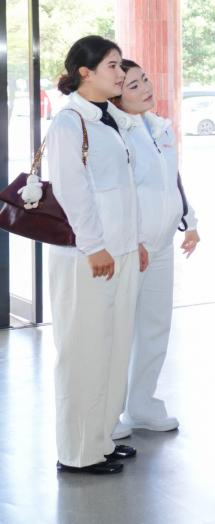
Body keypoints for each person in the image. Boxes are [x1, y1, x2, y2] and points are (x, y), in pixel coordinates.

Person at [46, 36, 144, 474]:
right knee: (84, 351)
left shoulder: (110, 119)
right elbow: (73, 191)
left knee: (114, 347)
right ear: (85, 73)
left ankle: (102, 438)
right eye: (113, 66)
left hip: (120, 250)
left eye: (121, 65)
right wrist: (95, 245)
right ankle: (78, 452)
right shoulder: (69, 123)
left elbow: (124, 189)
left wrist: (134, 240)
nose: (121, 74)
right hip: (89, 255)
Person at [111, 60, 199, 441]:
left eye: (144, 79)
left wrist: (189, 221)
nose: (146, 87)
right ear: (116, 96)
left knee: (155, 326)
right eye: (133, 85)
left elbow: (171, 180)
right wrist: (133, 240)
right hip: (132, 246)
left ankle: (142, 405)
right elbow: (121, 192)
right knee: (120, 331)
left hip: (161, 243)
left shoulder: (159, 126)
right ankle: (109, 414)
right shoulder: (114, 132)